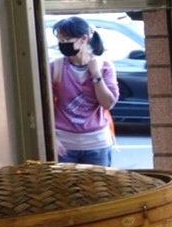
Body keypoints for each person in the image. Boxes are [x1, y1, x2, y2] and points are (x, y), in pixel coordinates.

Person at [50, 16, 120, 166]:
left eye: (67, 39)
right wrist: (52, 139)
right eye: (59, 40)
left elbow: (107, 103)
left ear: (83, 39)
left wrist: (96, 74)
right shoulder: (55, 67)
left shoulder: (104, 66)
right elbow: (43, 107)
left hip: (97, 144)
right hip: (64, 145)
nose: (62, 44)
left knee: (99, 189)